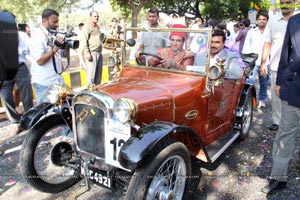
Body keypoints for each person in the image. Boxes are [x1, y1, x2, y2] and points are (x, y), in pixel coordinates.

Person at [261, 10, 300, 195]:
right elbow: (286, 52)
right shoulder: (294, 21)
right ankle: (278, 177)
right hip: (294, 87)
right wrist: (279, 82)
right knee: (285, 133)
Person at [260, 0, 296, 131]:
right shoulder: (273, 20)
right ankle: (277, 121)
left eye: (288, 2)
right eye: (282, 2)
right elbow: (267, 43)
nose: (285, 4)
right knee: (276, 96)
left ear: (295, 2)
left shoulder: (298, 19)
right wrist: (263, 63)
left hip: (296, 67)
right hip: (276, 66)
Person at [0, 11, 33, 135]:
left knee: (26, 93)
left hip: (20, 67)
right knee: (5, 95)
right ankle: (15, 121)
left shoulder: (22, 36)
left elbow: (30, 50)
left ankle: (30, 119)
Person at [30, 9, 66, 104]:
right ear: (44, 21)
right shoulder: (37, 36)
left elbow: (59, 55)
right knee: (47, 114)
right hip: (45, 83)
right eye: (54, 22)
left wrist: (66, 47)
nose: (57, 24)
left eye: (57, 21)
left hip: (57, 80)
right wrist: (54, 49)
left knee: (60, 112)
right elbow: (39, 61)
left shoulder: (52, 34)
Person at [242, 11, 270, 108]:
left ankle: (262, 100)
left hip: (266, 62)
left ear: (267, 21)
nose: (261, 21)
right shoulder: (251, 32)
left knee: (264, 83)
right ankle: (248, 101)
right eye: (260, 19)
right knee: (249, 82)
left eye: (264, 19)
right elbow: (246, 47)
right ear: (257, 21)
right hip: (252, 62)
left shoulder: (270, 32)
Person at [81, 11, 102, 85]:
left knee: (98, 78)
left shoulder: (97, 26)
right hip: (91, 54)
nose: (96, 18)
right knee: (91, 78)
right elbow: (84, 39)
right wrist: (86, 52)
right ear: (90, 17)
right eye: (95, 16)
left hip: (98, 53)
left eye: (97, 16)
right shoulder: (87, 26)